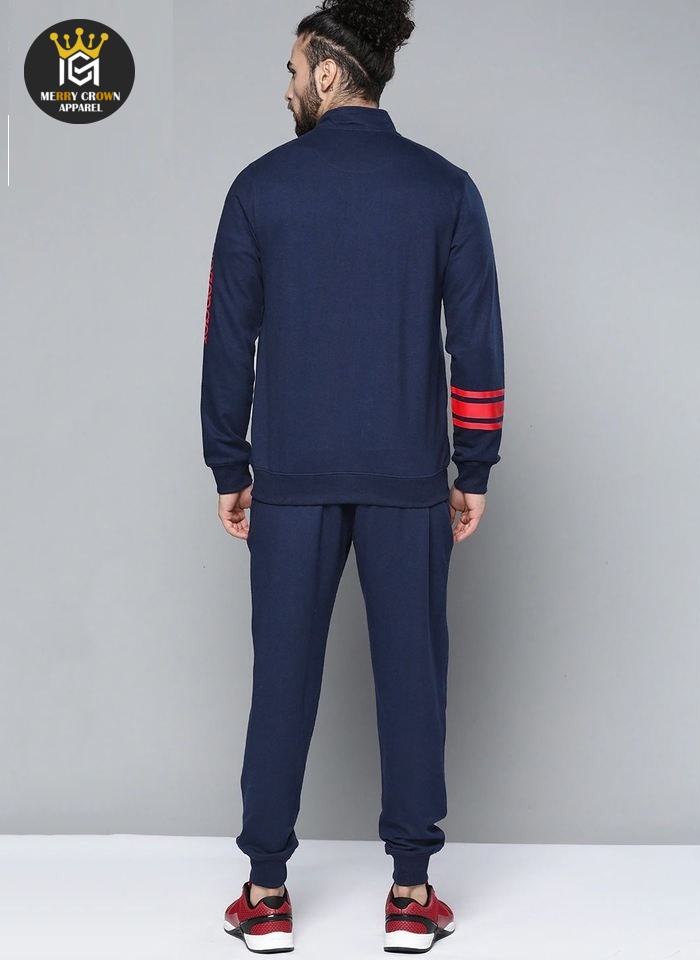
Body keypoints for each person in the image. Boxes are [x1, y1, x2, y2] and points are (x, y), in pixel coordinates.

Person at [201, 0, 504, 953]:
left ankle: (265, 894)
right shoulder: (445, 189)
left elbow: (227, 343)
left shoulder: (259, 189)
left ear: (329, 73)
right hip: (409, 478)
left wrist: (229, 462)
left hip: (289, 479)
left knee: (281, 680)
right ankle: (411, 897)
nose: (288, 85)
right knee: (414, 680)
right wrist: (474, 466)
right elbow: (477, 343)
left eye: (294, 69)